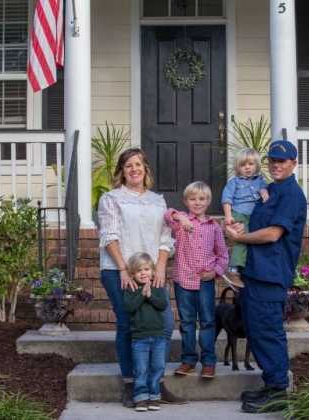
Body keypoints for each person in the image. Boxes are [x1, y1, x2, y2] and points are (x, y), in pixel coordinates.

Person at [97, 148, 185, 407]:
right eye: (128, 166)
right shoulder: (111, 199)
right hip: (119, 271)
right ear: (121, 172)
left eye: (138, 165)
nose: (134, 169)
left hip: (151, 271)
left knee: (165, 324)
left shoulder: (158, 201)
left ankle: (155, 383)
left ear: (146, 169)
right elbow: (109, 236)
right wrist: (124, 269)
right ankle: (131, 384)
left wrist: (160, 267)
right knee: (128, 325)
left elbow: (165, 237)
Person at [224, 140, 307, 414]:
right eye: (272, 160)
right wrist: (236, 225)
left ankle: (279, 390)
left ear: (294, 163)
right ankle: (271, 385)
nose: (276, 165)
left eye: (282, 161)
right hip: (256, 273)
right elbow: (250, 218)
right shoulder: (268, 190)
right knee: (257, 331)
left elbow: (273, 233)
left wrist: (240, 238)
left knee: (268, 332)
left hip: (271, 275)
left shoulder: (291, 194)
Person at [164, 182, 229, 379]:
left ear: (208, 201)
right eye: (192, 199)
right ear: (186, 201)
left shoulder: (214, 227)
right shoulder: (180, 224)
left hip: (205, 281)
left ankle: (209, 361)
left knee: (208, 321)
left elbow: (223, 255)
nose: (197, 203)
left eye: (202, 199)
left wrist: (215, 272)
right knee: (187, 321)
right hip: (183, 279)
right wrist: (180, 216)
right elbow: (166, 214)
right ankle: (188, 360)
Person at [123, 253, 169, 412]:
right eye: (138, 270)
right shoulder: (131, 289)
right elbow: (129, 308)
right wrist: (142, 296)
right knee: (141, 368)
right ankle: (141, 398)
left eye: (146, 269)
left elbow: (162, 304)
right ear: (132, 274)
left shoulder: (157, 286)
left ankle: (154, 396)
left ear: (153, 271)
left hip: (158, 336)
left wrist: (150, 295)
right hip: (139, 338)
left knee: (157, 366)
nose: (143, 273)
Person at [221, 148, 269, 284]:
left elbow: (264, 191)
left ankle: (249, 267)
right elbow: (227, 199)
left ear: (257, 165)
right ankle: (233, 269)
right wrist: (228, 216)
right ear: (237, 167)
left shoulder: (260, 181)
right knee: (242, 239)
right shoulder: (234, 182)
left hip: (254, 215)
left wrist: (265, 193)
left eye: (250, 164)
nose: (247, 167)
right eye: (243, 165)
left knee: (256, 238)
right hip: (239, 213)